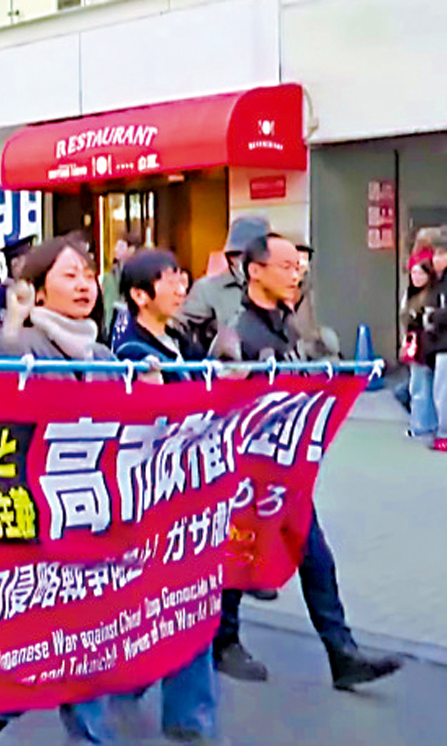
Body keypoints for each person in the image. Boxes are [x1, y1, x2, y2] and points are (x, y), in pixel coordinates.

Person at [213, 233, 403, 690]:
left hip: (285, 470)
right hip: (244, 472)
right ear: (254, 271)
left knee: (315, 556)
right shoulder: (239, 332)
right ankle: (224, 641)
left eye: (298, 266)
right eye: (284, 265)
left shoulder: (288, 323)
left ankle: (341, 652)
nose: (295, 273)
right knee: (236, 553)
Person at [0, 235, 112, 744]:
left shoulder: (102, 352)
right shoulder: (17, 342)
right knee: (30, 646)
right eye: (69, 275)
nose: (83, 285)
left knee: (87, 642)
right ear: (37, 287)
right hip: (32, 522)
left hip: (88, 521)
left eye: (88, 275)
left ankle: (92, 735)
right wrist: (12, 324)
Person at [109, 250, 219, 744]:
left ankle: (185, 716)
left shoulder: (176, 341)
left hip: (185, 496)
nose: (181, 288)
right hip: (150, 499)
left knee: (187, 599)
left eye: (183, 278)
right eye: (169, 280)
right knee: (164, 599)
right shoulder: (133, 352)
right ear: (138, 295)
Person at [175, 216, 270, 352]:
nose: (241, 261)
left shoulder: (284, 289)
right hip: (224, 368)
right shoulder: (208, 289)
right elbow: (178, 326)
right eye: (236, 255)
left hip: (276, 369)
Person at [417, 238, 447, 452]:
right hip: (439, 343)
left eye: (439, 254)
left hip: (445, 343)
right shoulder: (439, 282)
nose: (435, 259)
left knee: (442, 390)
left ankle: (444, 434)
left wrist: (432, 317)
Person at [402, 258, 437, 439]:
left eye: (420, 273)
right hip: (415, 345)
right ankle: (421, 423)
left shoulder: (431, 295)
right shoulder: (410, 295)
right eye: (413, 273)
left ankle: (423, 424)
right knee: (418, 386)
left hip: (428, 345)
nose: (415, 277)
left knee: (424, 387)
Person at [101, 229, 142, 339]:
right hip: (112, 328)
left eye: (120, 246)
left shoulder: (139, 273)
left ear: (131, 249)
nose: (115, 250)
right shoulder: (110, 276)